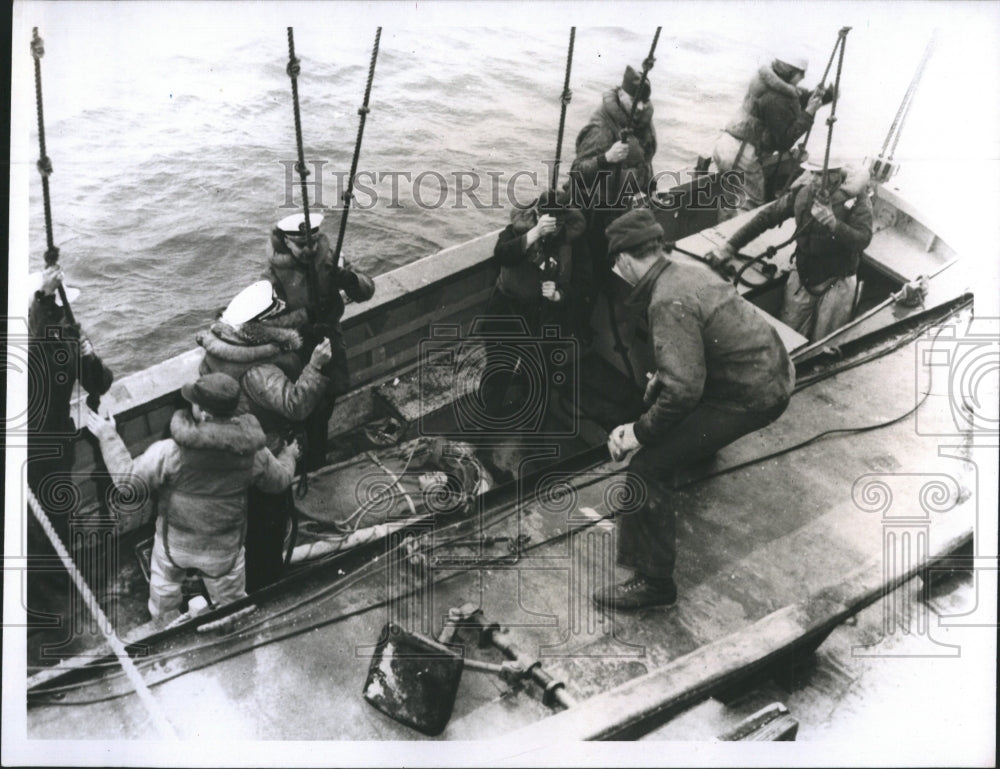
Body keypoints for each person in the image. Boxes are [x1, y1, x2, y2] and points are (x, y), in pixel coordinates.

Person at [593, 209, 795, 611]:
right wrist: (664, 380)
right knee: (675, 419)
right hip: (773, 372)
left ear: (627, 258)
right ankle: (701, 450)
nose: (618, 270)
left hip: (751, 396)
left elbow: (683, 392)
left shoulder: (667, 301)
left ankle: (654, 583)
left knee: (647, 467)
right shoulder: (687, 272)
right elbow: (699, 355)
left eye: (617, 262)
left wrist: (637, 433)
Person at [86, 373, 298, 618]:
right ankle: (235, 629)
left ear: (204, 414)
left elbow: (128, 485)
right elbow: (279, 482)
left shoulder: (170, 452)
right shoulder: (254, 454)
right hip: (224, 551)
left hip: (174, 547)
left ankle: (167, 627)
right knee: (232, 606)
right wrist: (289, 455)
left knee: (163, 598)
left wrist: (108, 435)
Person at [197, 280, 333, 590]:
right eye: (274, 316)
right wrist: (315, 366)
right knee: (266, 524)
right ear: (259, 325)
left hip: (226, 450)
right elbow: (295, 405)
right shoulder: (258, 371)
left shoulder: (216, 351)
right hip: (263, 453)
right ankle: (265, 584)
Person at [706, 159, 873, 341]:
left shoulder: (857, 201)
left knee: (825, 341)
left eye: (820, 175)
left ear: (835, 176)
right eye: (813, 173)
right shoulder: (803, 192)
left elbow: (863, 239)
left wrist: (835, 225)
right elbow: (767, 217)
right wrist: (729, 247)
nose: (814, 179)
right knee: (786, 335)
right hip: (804, 273)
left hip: (837, 280)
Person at [265, 212, 375, 470]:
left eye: (313, 242)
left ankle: (318, 460)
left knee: (325, 409)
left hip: (330, 346)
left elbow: (367, 289)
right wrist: (306, 316)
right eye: (301, 244)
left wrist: (350, 280)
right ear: (286, 242)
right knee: (303, 416)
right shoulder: (272, 277)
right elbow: (266, 325)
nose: (310, 249)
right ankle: (305, 466)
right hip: (297, 355)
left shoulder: (330, 259)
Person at [478, 189, 589, 419]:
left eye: (557, 222)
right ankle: (486, 424)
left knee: (540, 374)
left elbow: (584, 282)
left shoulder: (574, 241)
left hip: (545, 316)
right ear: (536, 214)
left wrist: (560, 295)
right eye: (545, 219)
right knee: (498, 371)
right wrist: (534, 234)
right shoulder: (517, 229)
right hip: (507, 309)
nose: (551, 227)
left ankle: (532, 423)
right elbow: (501, 254)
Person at [27, 265, 114, 496]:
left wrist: (90, 357)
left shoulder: (68, 334)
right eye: (53, 308)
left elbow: (99, 384)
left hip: (59, 439)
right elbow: (35, 347)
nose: (61, 312)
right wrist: (44, 295)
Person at [712, 55, 828, 219]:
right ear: (791, 72)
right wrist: (809, 113)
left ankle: (722, 232)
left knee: (730, 201)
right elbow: (784, 141)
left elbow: (790, 100)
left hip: (726, 144)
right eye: (801, 73)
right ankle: (736, 235)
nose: (803, 77)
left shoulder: (764, 81)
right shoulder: (776, 99)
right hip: (741, 154)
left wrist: (822, 96)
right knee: (751, 205)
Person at [570, 64, 658, 275]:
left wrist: (651, 186)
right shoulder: (601, 128)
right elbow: (577, 173)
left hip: (626, 206)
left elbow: (645, 159)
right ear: (621, 94)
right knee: (597, 266)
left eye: (644, 102)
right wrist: (606, 158)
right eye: (635, 101)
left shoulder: (641, 122)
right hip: (598, 212)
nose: (640, 107)